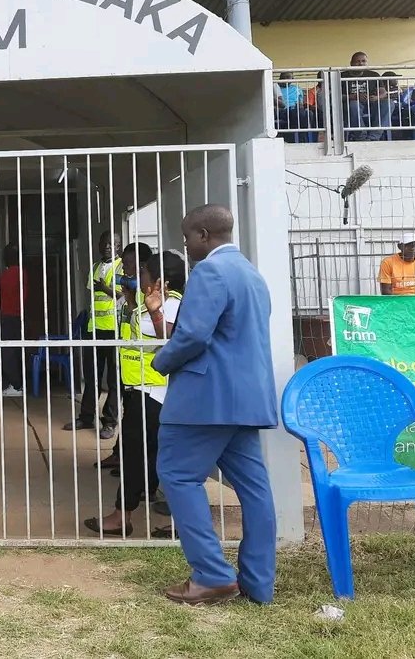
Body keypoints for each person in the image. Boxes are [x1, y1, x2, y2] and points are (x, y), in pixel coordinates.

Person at [152, 205, 278, 606]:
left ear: (204, 234)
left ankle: (212, 575)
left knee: (177, 475)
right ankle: (258, 582)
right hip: (247, 401)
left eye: (188, 237)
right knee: (255, 489)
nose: (186, 246)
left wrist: (160, 361)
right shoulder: (252, 275)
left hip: (205, 401)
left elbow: (193, 336)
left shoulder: (210, 272)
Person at [85, 251, 183, 538]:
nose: (139, 276)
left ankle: (122, 516)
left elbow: (170, 339)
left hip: (154, 391)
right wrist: (133, 303)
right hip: (142, 389)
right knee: (148, 453)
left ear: (160, 280)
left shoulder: (171, 304)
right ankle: (141, 504)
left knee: (135, 454)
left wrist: (154, 311)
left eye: (144, 272)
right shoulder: (154, 301)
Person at [91, 241, 152, 465]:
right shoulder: (131, 292)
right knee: (130, 416)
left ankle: (129, 461)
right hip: (128, 364)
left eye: (127, 263)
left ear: (142, 265)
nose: (123, 267)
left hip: (145, 371)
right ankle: (121, 455)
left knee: (139, 421)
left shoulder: (149, 294)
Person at [68, 230, 122, 438]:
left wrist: (106, 288)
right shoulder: (95, 267)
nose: (108, 246)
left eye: (112, 243)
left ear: (118, 246)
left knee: (115, 379)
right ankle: (86, 416)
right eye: (105, 243)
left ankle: (109, 422)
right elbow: (92, 296)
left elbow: (124, 296)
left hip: (115, 330)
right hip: (94, 329)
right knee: (92, 376)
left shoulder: (122, 266)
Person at [0, 244, 28, 398]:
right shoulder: (22, 272)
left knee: (7, 351)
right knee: (15, 350)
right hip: (18, 316)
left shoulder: (9, 273)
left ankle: (16, 385)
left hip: (8, 316)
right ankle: (17, 384)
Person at [341, 52, 391, 142]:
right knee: (354, 104)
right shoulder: (342, 76)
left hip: (371, 103)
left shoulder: (374, 75)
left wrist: (377, 97)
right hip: (352, 106)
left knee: (389, 103)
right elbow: (335, 96)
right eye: (357, 61)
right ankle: (361, 137)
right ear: (351, 63)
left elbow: (383, 92)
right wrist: (352, 97)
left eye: (363, 61)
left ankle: (373, 137)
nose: (361, 63)